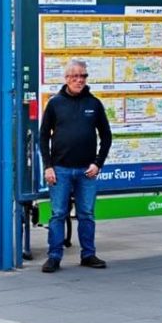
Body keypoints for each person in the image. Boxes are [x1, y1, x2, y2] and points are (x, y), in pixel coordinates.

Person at [38, 59, 112, 274]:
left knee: (87, 214)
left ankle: (88, 254)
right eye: (75, 76)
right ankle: (54, 256)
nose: (79, 80)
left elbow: (106, 136)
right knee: (58, 214)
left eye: (83, 76)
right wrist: (48, 166)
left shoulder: (94, 104)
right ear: (66, 79)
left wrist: (98, 163)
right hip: (60, 169)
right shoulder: (55, 103)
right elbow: (43, 137)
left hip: (86, 172)